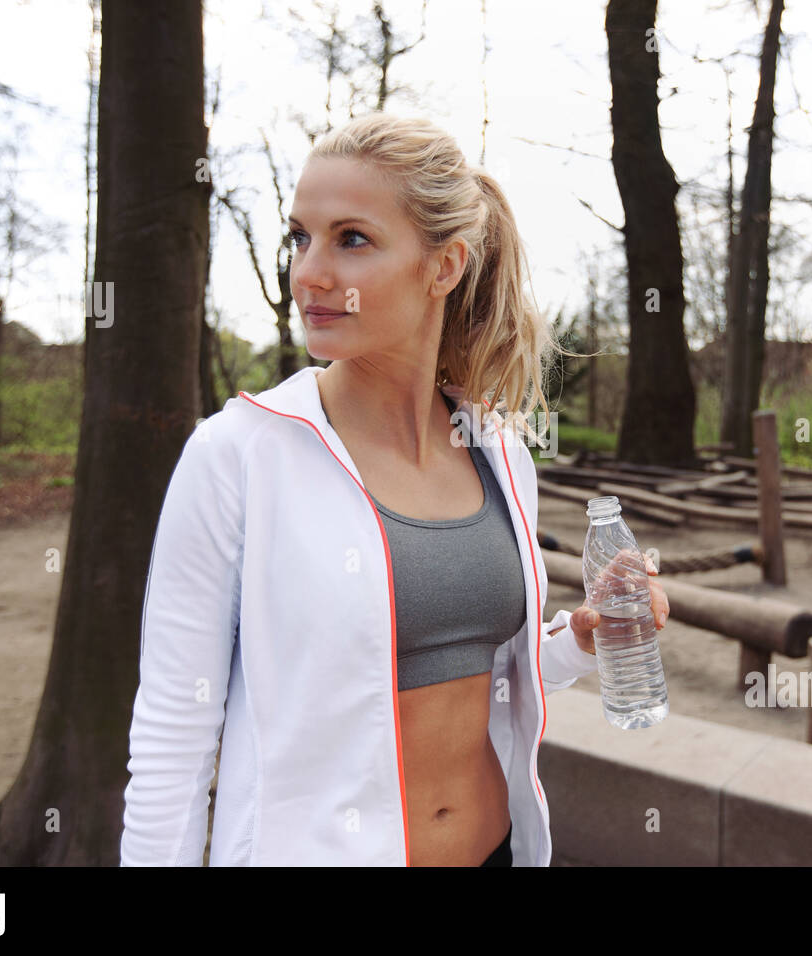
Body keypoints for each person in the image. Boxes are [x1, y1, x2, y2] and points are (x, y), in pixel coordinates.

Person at [120, 113, 670, 867]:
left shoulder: (498, 453)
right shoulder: (238, 456)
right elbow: (171, 739)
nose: (310, 271)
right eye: (300, 237)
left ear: (443, 267)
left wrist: (576, 641)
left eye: (351, 239)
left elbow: (480, 675)